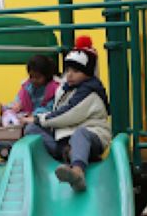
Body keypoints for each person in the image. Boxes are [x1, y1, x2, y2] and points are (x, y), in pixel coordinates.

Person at [21, 45, 111, 192]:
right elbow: (57, 111)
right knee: (31, 129)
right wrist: (35, 122)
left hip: (91, 136)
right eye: (68, 70)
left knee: (80, 134)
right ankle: (68, 153)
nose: (69, 75)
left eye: (75, 71)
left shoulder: (89, 92)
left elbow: (67, 114)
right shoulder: (65, 89)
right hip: (67, 137)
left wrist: (38, 119)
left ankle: (78, 172)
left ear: (88, 73)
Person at [0, 54, 61, 126]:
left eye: (37, 77)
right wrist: (11, 107)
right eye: (31, 76)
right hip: (25, 118)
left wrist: (33, 115)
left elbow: (50, 108)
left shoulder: (54, 88)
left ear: (47, 75)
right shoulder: (27, 86)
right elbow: (19, 100)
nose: (34, 80)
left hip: (43, 121)